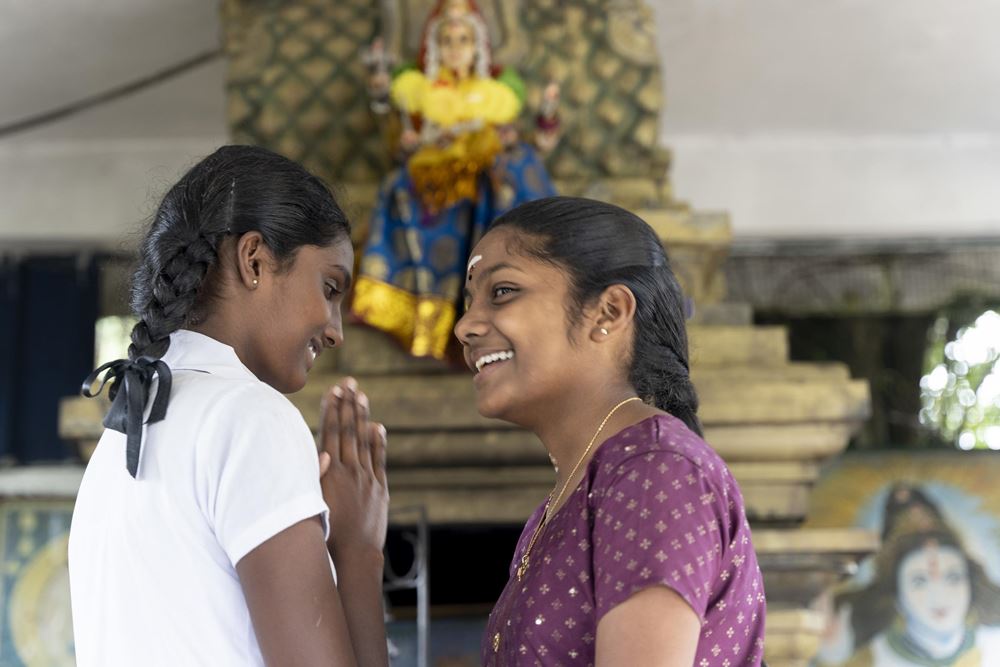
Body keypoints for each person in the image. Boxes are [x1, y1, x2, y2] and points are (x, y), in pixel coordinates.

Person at [68, 145, 390, 666]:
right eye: (330, 288)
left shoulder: (121, 438)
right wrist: (359, 551)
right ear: (254, 259)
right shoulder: (250, 417)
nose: (335, 331)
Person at [454, 196, 767, 665]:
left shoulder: (654, 469)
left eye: (502, 291)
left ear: (609, 312)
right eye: (469, 301)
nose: (464, 326)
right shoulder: (576, 495)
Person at [351, 0, 557, 362]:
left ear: (478, 46)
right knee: (401, 188)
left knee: (510, 176)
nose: (456, 48)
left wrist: (540, 121)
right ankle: (431, 314)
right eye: (447, 41)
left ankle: (524, 287)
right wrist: (406, 136)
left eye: (464, 40)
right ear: (435, 46)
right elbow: (397, 143)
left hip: (484, 172)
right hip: (435, 173)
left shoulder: (494, 95)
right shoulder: (420, 91)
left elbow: (529, 141)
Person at [818, 483, 1000, 666]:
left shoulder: (991, 643)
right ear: (897, 595)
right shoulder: (873, 656)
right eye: (919, 581)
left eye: (953, 578)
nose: (939, 595)